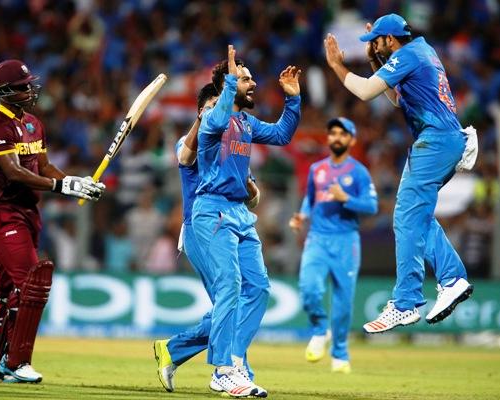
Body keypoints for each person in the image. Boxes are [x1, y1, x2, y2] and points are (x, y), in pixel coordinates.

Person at [323, 14, 477, 333]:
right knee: (415, 217)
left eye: (376, 41)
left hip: (435, 141)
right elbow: (395, 100)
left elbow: (366, 92)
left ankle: (406, 302)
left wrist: (338, 66)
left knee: (407, 217)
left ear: (390, 40)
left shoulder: (408, 55)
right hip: (441, 140)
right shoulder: (421, 51)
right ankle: (452, 278)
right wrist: (376, 63)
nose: (373, 46)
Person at [0, 59, 105, 383]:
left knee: (7, 291)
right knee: (30, 286)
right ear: (4, 92)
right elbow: (15, 173)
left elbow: (44, 167)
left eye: (28, 84)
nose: (29, 90)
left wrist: (76, 182)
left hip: (30, 215)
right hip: (3, 214)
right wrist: (62, 186)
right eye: (22, 87)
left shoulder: (34, 123)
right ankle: (17, 362)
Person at [189, 45, 300, 397]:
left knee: (259, 286)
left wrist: (293, 100)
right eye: (245, 78)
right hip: (213, 210)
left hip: (240, 212)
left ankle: (234, 359)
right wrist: (230, 80)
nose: (252, 84)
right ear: (228, 84)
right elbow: (219, 120)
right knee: (230, 286)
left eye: (251, 78)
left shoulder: (247, 123)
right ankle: (221, 370)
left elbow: (282, 135)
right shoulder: (212, 119)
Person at [153, 82, 260, 393]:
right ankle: (235, 372)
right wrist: (204, 119)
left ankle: (175, 350)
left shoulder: (230, 144)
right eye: (215, 106)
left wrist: (251, 191)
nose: (222, 113)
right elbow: (184, 158)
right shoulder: (187, 142)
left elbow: (253, 196)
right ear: (202, 111)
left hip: (226, 221)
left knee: (235, 301)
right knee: (232, 300)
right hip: (199, 228)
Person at [289, 117, 377, 373]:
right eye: (333, 133)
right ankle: (319, 330)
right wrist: (302, 215)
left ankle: (340, 353)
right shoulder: (317, 169)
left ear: (352, 140)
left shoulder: (359, 172)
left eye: (342, 133)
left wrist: (345, 198)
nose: (336, 137)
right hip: (317, 238)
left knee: (342, 302)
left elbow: (371, 206)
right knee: (309, 289)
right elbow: (310, 199)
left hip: (346, 240)